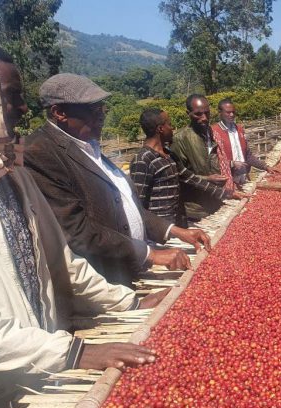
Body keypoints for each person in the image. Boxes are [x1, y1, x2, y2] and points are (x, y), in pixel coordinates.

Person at [0, 39, 167, 408]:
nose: (23, 108)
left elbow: (62, 261)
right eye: (10, 96)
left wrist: (129, 303)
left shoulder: (10, 173)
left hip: (40, 378)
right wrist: (75, 353)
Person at [23, 74, 211, 287]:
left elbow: (127, 207)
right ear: (60, 113)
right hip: (103, 285)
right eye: (93, 110)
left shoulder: (87, 145)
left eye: (103, 108)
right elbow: (76, 230)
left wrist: (176, 231)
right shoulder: (40, 152)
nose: (102, 116)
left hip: (130, 273)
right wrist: (150, 253)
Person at [131, 108, 245, 227]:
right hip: (160, 229)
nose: (172, 128)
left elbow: (191, 179)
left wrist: (226, 193)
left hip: (177, 222)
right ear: (160, 129)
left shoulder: (169, 155)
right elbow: (138, 204)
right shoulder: (142, 160)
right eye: (169, 124)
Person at [170, 94, 229, 220]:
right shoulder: (180, 139)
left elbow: (214, 161)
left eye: (207, 113)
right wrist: (207, 179)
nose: (204, 118)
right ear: (188, 113)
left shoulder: (211, 132)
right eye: (198, 114)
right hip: (195, 210)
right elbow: (178, 176)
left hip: (216, 203)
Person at [212, 98, 278, 186]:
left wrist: (265, 167)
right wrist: (231, 163)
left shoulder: (239, 129)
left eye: (233, 112)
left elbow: (248, 155)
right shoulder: (214, 131)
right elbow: (211, 161)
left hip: (243, 178)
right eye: (228, 112)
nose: (231, 115)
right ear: (220, 113)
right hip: (226, 181)